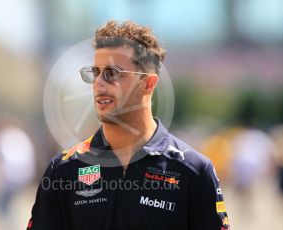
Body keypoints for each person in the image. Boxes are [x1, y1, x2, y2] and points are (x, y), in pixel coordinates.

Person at [28, 20, 230, 230]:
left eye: (112, 73)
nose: (98, 83)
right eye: (95, 72)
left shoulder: (194, 171)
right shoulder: (63, 170)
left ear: (148, 84)